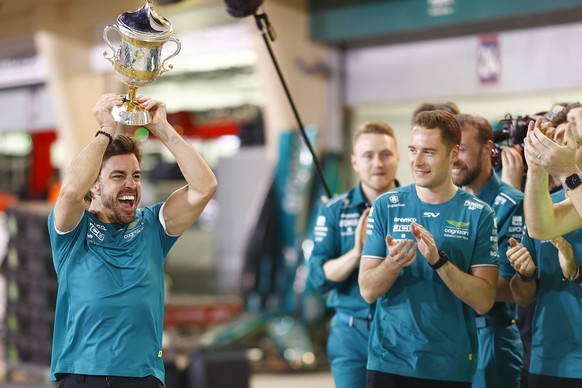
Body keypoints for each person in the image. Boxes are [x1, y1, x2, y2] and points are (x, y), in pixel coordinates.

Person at [47, 93, 218, 387]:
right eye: (118, 175)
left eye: (136, 176)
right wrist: (105, 129)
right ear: (95, 187)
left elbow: (204, 188)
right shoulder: (72, 230)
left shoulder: (153, 225)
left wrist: (162, 128)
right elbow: (72, 192)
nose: (131, 184)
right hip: (82, 374)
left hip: (143, 375)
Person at [359, 110, 499, 388]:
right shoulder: (387, 206)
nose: (417, 162)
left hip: (448, 366)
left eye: (429, 152)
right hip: (389, 361)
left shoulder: (479, 214)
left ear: (454, 153)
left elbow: (484, 301)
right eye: (413, 150)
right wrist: (392, 263)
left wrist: (440, 262)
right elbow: (367, 290)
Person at [309, 121, 400, 388]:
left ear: (397, 157)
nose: (378, 163)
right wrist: (356, 253)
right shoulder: (334, 210)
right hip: (351, 333)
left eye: (385, 154)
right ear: (354, 162)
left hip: (404, 332)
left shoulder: (418, 207)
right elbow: (319, 277)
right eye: (368, 156)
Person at [453, 113, 524, 388]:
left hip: (489, 336)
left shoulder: (509, 203)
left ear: (487, 150)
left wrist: (448, 272)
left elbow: (513, 287)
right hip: (447, 338)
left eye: (462, 149)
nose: (454, 158)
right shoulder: (446, 203)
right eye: (450, 150)